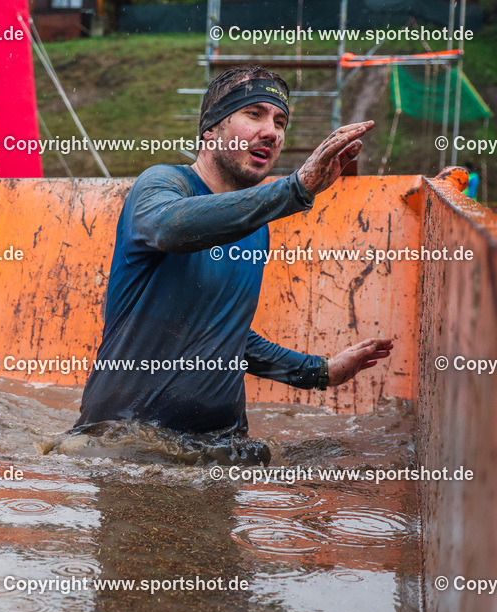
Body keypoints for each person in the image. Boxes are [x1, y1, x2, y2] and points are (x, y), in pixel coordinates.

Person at [74, 65, 392, 465]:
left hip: (221, 448)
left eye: (280, 121)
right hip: (125, 446)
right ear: (210, 130)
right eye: (254, 114)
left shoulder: (255, 227)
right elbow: (171, 229)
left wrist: (320, 372)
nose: (272, 132)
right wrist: (295, 189)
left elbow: (228, 336)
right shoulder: (159, 186)